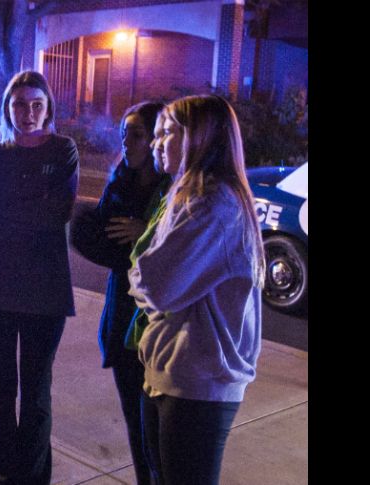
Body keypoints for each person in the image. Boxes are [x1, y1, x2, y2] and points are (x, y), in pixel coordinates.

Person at [128, 94, 266, 485]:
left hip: (198, 384)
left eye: (168, 132)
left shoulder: (214, 206)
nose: (156, 143)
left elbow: (154, 283)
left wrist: (140, 276)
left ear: (201, 137)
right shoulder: (185, 196)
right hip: (170, 373)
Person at [0, 70, 79, 485]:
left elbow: (58, 215)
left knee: (36, 393)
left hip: (46, 293)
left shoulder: (64, 151)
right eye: (18, 104)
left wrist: (7, 209)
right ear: (6, 108)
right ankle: (1, 474)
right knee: (1, 394)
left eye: (36, 104)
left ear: (48, 108)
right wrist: (34, 207)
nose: (27, 113)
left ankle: (32, 478)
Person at [70, 101, 168, 485]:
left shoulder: (172, 190)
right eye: (124, 134)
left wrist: (146, 230)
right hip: (122, 323)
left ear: (157, 139)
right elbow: (96, 239)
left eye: (138, 135)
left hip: (158, 331)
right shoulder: (120, 184)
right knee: (138, 430)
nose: (128, 143)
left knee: (161, 437)